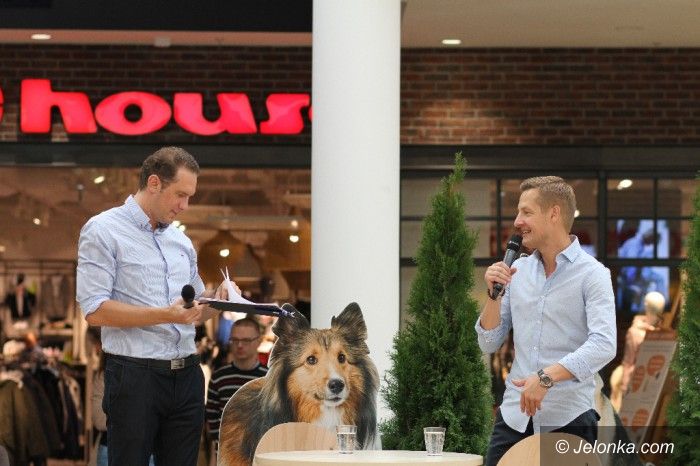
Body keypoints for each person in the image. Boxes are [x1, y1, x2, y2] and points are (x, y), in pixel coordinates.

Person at [76, 146, 236, 466]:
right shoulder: (103, 230)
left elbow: (195, 311)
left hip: (187, 375)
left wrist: (220, 300)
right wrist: (164, 314)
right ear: (154, 183)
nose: (185, 206)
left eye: (189, 197)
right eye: (180, 195)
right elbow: (94, 310)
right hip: (135, 376)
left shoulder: (181, 242)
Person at [476, 176, 616, 466]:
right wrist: (493, 296)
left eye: (526, 212)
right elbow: (488, 342)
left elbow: (604, 344)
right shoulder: (517, 271)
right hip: (513, 419)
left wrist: (545, 377)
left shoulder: (593, 275)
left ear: (554, 213)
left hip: (569, 420)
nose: (517, 222)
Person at [205, 317, 268, 442]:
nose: (239, 345)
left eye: (246, 340)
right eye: (235, 340)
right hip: (225, 449)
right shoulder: (218, 378)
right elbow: (212, 421)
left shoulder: (270, 379)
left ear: (259, 341)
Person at [609, 291, 665, 411]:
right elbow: (628, 361)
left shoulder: (663, 332)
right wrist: (624, 387)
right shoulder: (635, 332)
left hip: (655, 379)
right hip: (636, 379)